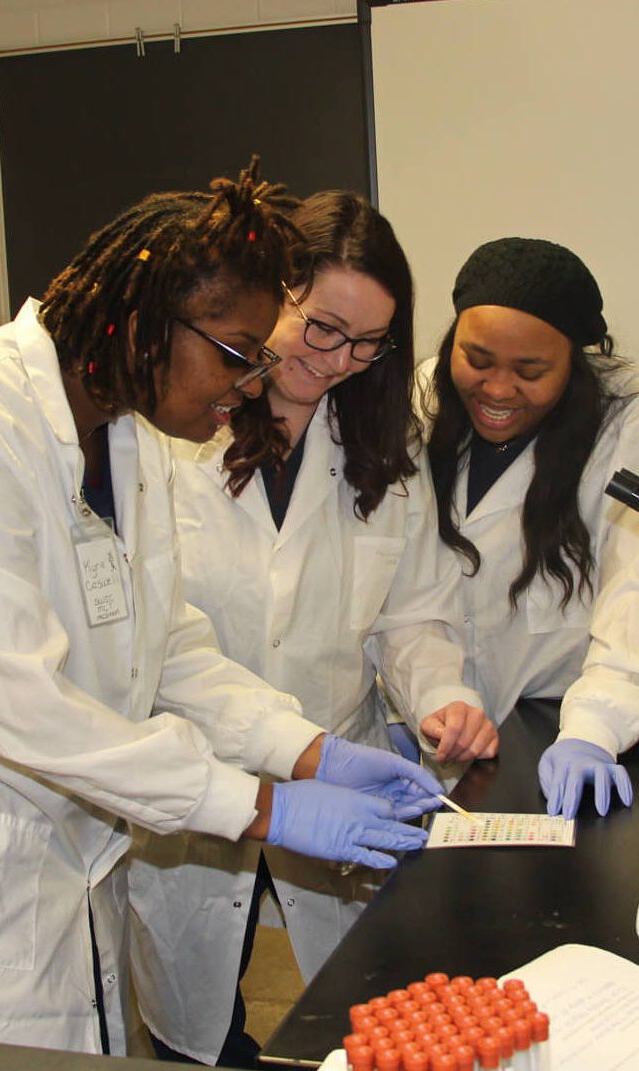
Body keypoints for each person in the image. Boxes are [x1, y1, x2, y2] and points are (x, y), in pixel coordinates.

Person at [0, 164, 444, 1056]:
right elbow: (20, 704)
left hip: (53, 863)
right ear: (141, 321)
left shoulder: (130, 434)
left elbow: (165, 648)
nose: (252, 385)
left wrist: (310, 752)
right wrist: (260, 807)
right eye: (240, 355)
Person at [128, 191, 495, 1066]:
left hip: (339, 772)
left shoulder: (378, 446)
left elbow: (408, 614)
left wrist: (441, 696)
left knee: (365, 1022)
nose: (339, 362)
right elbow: (157, 645)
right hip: (191, 781)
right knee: (200, 1035)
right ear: (271, 293)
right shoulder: (169, 437)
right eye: (323, 328)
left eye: (369, 345)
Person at [419, 236, 639, 820]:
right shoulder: (421, 398)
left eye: (530, 371)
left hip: (561, 728)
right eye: (476, 360)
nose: (498, 390)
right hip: (435, 725)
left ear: (578, 360)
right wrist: (425, 692)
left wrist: (595, 727)